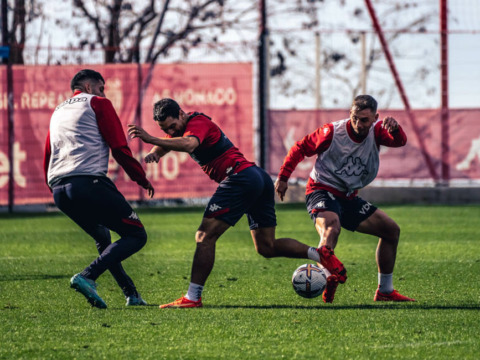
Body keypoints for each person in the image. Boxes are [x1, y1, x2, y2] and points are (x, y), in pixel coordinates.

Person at [127, 98, 346, 308]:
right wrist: (156, 152)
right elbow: (172, 140)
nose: (171, 131)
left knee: (204, 236)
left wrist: (151, 139)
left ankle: (192, 297)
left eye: (173, 126)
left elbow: (188, 143)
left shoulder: (197, 123)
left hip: (240, 178)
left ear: (181, 114)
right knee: (266, 247)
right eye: (167, 129)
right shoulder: (182, 126)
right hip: (257, 178)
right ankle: (321, 255)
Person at [275, 94, 415, 303]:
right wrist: (283, 177)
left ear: (375, 118)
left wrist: (395, 129)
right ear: (350, 114)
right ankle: (325, 278)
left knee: (391, 231)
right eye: (354, 117)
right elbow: (301, 147)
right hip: (321, 189)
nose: (358, 123)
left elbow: (399, 142)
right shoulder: (332, 132)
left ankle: (385, 291)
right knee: (332, 227)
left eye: (364, 120)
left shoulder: (377, 132)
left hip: (348, 197)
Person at [43, 69, 155, 309]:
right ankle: (87, 276)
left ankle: (132, 295)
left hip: (59, 189)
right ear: (89, 86)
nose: (104, 93)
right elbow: (119, 148)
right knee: (136, 235)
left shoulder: (57, 111)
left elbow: (47, 154)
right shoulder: (98, 103)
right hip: (88, 184)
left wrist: (54, 186)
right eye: (102, 88)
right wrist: (141, 178)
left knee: (103, 237)